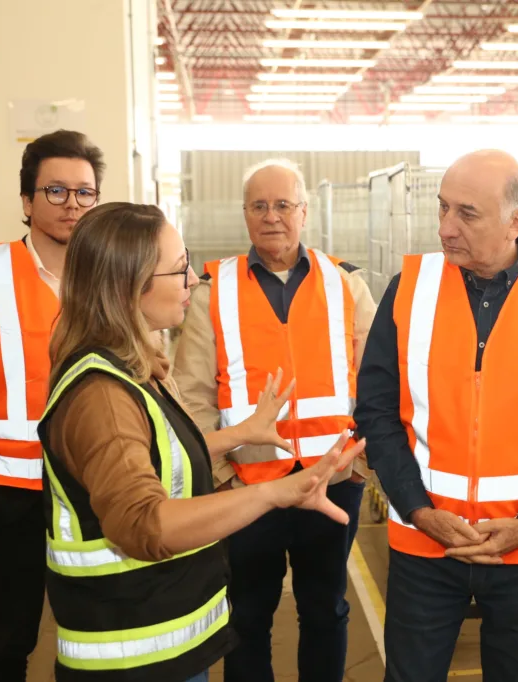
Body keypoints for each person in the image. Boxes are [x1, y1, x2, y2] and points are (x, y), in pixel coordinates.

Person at [37, 201, 364, 682]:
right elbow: (144, 522)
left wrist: (240, 434)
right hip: (135, 655)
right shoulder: (102, 395)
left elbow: (156, 452)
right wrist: (274, 492)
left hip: (161, 640)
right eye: (179, 268)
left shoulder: (125, 367)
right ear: (130, 283)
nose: (192, 279)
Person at [353, 149, 518, 682]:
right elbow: (376, 410)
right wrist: (418, 510)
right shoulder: (411, 287)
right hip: (425, 542)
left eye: (466, 214)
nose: (446, 228)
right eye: (442, 208)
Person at [171, 158, 377, 682]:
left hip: (330, 483)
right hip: (245, 488)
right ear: (244, 215)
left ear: (304, 212)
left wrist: (357, 467)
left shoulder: (346, 285)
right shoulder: (211, 291)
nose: (272, 217)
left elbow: (376, 383)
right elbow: (193, 395)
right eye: (259, 206)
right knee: (246, 613)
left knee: (326, 608)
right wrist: (218, 477)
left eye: (283, 205)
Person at [0, 129, 104, 682]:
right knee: (8, 644)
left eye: (84, 192)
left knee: (99, 641)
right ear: (27, 202)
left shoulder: (111, 277)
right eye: (55, 191)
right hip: (10, 500)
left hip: (97, 494)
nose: (71, 204)